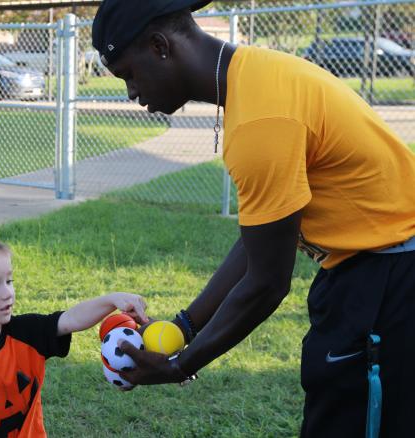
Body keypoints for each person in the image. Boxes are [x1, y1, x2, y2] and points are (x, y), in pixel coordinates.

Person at [91, 1, 415, 436]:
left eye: (130, 74)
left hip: (392, 277)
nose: (132, 92)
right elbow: (260, 237)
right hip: (365, 269)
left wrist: (180, 365)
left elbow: (267, 283)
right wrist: (185, 326)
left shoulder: (260, 119)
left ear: (160, 46)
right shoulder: (254, 75)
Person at [0, 234, 148, 437]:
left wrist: (111, 299)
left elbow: (71, 319)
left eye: (9, 281)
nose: (8, 293)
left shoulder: (27, 333)